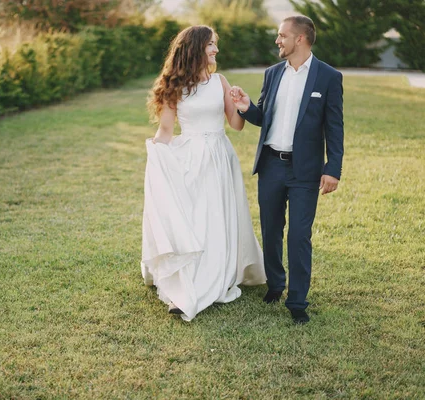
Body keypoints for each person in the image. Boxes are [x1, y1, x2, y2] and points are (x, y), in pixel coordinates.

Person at [140, 25, 266, 321]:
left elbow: (235, 126)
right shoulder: (174, 86)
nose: (216, 50)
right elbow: (166, 130)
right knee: (198, 218)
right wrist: (156, 152)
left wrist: (239, 105)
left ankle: (219, 271)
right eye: (211, 44)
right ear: (196, 47)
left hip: (220, 156)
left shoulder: (220, 81)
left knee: (219, 216)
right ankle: (191, 280)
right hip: (192, 158)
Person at [230, 15, 344, 324]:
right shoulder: (272, 73)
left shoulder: (328, 77)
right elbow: (263, 117)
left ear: (301, 39)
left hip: (305, 170)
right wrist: (246, 106)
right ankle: (275, 284)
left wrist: (333, 168)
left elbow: (335, 128)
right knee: (270, 229)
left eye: (282, 36)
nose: (278, 41)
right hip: (270, 165)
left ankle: (297, 301)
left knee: (299, 236)